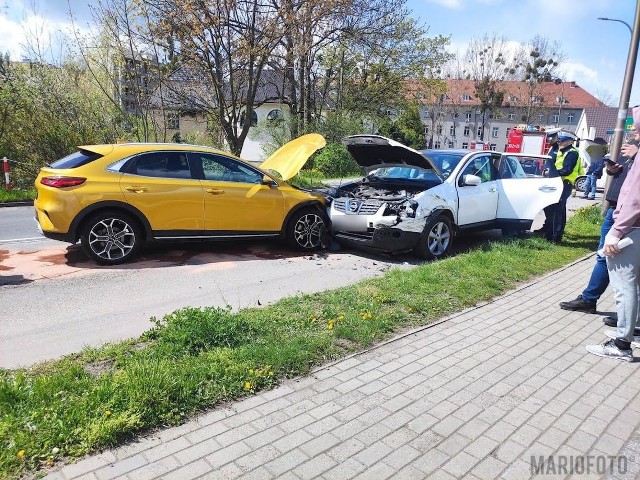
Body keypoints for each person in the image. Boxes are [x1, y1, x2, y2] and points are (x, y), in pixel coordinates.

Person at [559, 148, 639, 333]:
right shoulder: (633, 144)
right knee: (603, 257)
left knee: (630, 269)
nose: (633, 131)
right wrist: (612, 169)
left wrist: (636, 155)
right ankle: (590, 300)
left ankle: (630, 321)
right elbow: (625, 175)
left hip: (631, 215)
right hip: (615, 206)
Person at [587, 107, 640, 361]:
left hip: (631, 227)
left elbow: (634, 198)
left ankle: (622, 344)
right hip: (634, 225)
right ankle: (634, 331)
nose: (632, 128)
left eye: (635, 122)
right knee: (635, 284)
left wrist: (616, 232)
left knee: (624, 285)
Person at [543, 132, 581, 243]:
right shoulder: (562, 151)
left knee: (557, 210)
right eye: (559, 141)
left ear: (569, 141)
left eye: (562, 141)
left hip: (565, 183)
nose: (559, 143)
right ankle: (551, 234)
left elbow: (567, 170)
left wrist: (552, 172)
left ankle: (555, 237)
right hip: (559, 182)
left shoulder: (572, 153)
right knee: (555, 209)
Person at [533, 131, 560, 236]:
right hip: (548, 178)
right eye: (549, 138)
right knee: (547, 207)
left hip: (555, 180)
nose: (549, 140)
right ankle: (547, 226)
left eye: (552, 138)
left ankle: (551, 229)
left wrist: (551, 172)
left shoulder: (558, 149)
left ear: (556, 138)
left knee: (552, 208)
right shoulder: (551, 148)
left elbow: (557, 165)